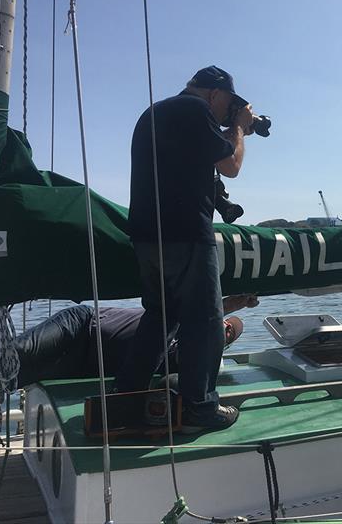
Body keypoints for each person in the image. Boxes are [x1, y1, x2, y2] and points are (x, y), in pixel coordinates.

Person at [117, 66, 256, 432]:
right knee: (205, 322)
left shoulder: (157, 112)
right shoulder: (195, 111)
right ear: (213, 93)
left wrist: (232, 127)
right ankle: (201, 409)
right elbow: (231, 165)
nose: (227, 110)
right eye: (227, 103)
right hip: (185, 234)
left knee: (160, 316)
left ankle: (126, 399)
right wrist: (240, 127)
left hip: (147, 236)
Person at [14, 295, 257, 388]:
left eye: (229, 336)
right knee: (18, 353)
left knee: (14, 378)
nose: (225, 331)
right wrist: (241, 301)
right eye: (226, 326)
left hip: (84, 366)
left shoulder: (187, 362)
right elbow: (213, 306)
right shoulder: (186, 319)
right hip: (83, 325)